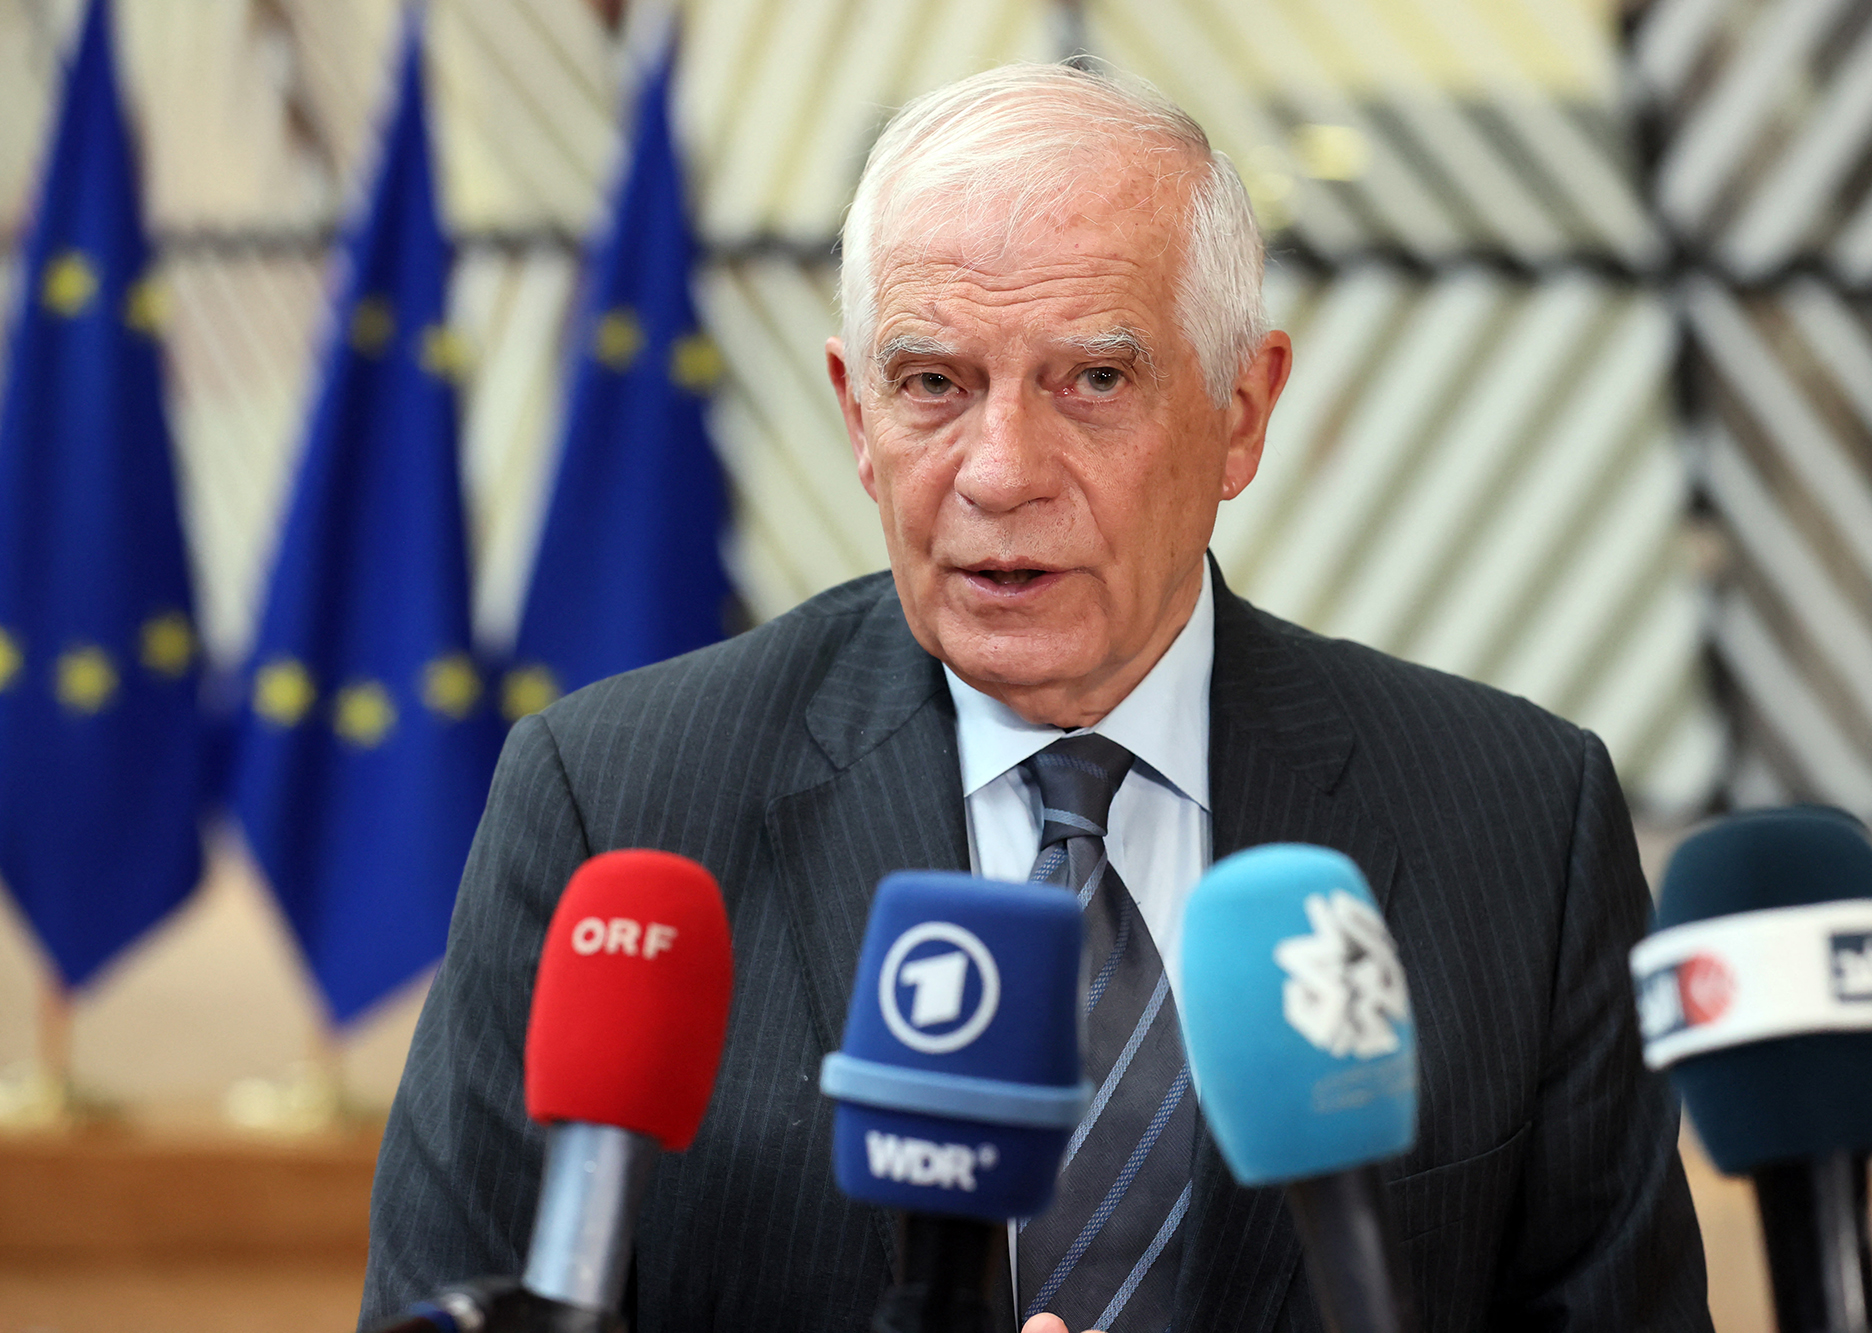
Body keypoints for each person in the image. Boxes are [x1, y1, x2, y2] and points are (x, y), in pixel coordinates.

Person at [360, 62, 1709, 1333]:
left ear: (1242, 411)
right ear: (855, 416)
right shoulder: (616, 805)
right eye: (934, 383)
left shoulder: (1522, 819)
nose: (1000, 471)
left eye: (1096, 379)